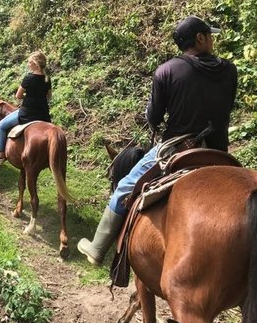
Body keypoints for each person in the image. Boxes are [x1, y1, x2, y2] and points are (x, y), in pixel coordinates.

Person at [78, 15, 238, 266]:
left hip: (177, 148)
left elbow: (153, 116)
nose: (212, 40)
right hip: (220, 152)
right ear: (200, 38)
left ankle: (97, 249)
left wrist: (158, 121)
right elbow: (226, 107)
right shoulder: (229, 69)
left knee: (124, 188)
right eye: (209, 35)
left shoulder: (167, 70)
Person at [0, 51, 52, 166]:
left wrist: (28, 97)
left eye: (30, 62)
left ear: (35, 64)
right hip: (43, 115)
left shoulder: (28, 78)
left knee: (2, 125)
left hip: (27, 114)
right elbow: (49, 97)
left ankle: (0, 155)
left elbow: (18, 96)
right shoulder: (47, 79)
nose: (28, 64)